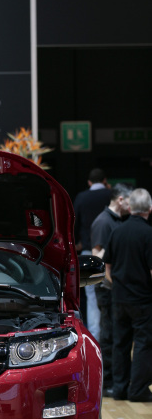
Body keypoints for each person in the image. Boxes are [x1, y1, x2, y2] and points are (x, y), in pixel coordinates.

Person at [104, 188, 152, 403]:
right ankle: (138, 390)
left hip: (119, 298)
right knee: (143, 344)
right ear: (150, 209)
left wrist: (118, 286)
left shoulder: (117, 231)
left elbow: (107, 267)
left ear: (130, 207)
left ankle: (119, 389)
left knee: (120, 343)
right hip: (142, 299)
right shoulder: (149, 234)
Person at [90, 183, 132, 396]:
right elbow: (98, 257)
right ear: (121, 200)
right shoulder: (104, 222)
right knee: (108, 335)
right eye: (130, 200)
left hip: (114, 287)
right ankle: (107, 383)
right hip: (107, 288)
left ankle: (117, 380)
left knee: (115, 334)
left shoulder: (116, 221)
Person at [73, 168, 112, 340]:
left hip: (89, 250)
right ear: (104, 180)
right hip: (110, 251)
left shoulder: (81, 197)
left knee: (91, 295)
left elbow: (74, 222)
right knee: (111, 292)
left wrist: (77, 243)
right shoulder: (110, 194)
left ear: (89, 182)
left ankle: (95, 335)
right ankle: (109, 333)